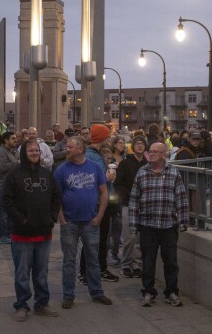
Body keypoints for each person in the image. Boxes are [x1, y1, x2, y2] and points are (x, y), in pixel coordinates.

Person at [3, 139, 62, 320]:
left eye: (37, 150)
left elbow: (56, 195)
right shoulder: (14, 174)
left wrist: (52, 217)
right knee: (22, 273)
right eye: (31, 151)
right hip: (22, 234)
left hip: (43, 233)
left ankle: (42, 303)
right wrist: (21, 219)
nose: (35, 153)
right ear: (24, 153)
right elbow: (6, 201)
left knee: (41, 273)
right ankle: (21, 305)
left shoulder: (46, 173)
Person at [53, 136, 113, 309]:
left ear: (80, 149)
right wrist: (62, 219)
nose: (67, 150)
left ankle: (97, 292)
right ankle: (68, 295)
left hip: (90, 222)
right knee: (69, 260)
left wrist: (99, 216)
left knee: (93, 259)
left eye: (70, 147)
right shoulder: (62, 170)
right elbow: (56, 196)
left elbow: (104, 193)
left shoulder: (94, 167)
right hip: (70, 223)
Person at [129, 141, 189, 307]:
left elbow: (181, 198)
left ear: (164, 155)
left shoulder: (173, 173)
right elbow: (134, 200)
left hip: (168, 225)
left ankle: (171, 292)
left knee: (171, 262)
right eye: (151, 151)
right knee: (148, 262)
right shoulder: (142, 172)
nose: (152, 154)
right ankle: (148, 292)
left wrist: (183, 222)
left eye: (156, 151)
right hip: (148, 225)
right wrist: (133, 226)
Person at [78, 124, 120, 284]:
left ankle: (99, 269)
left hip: (102, 201)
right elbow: (89, 178)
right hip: (96, 203)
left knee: (101, 239)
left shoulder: (96, 154)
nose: (109, 139)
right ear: (102, 138)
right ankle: (85, 272)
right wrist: (106, 178)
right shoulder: (91, 156)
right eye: (107, 136)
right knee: (93, 239)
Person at [114, 135, 147, 278]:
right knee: (128, 237)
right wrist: (130, 195)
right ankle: (126, 264)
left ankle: (137, 264)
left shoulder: (148, 164)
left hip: (144, 205)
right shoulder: (125, 163)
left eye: (142, 143)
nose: (140, 145)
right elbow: (118, 185)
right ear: (133, 146)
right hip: (128, 204)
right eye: (137, 143)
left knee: (139, 238)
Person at [0, 131, 20, 244]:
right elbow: (3, 167)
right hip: (3, 186)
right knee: (3, 212)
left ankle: (10, 233)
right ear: (6, 140)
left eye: (15, 138)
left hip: (13, 186)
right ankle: (2, 235)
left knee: (11, 211)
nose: (15, 140)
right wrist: (17, 163)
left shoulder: (14, 151)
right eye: (13, 138)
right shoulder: (0, 152)